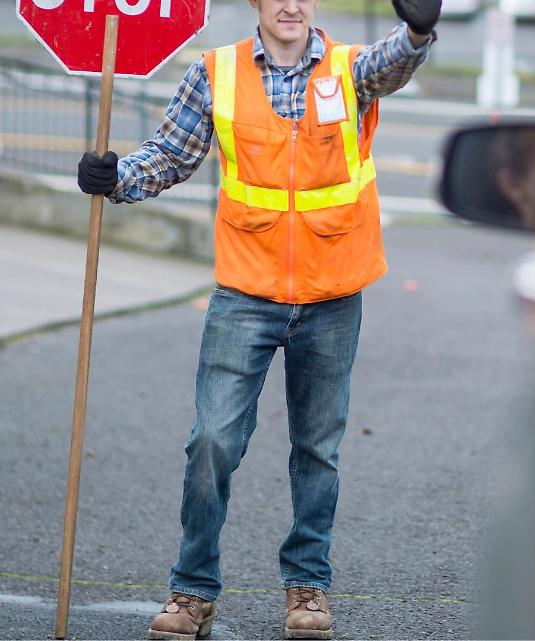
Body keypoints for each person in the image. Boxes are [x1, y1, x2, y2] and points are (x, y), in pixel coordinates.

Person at [75, 0, 441, 638]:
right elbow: (170, 155)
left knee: (317, 450)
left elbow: (393, 64)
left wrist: (418, 30)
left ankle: (307, 587)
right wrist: (116, 177)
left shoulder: (349, 70)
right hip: (245, 293)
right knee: (211, 442)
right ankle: (192, 591)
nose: (291, 5)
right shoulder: (216, 72)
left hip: (331, 293)